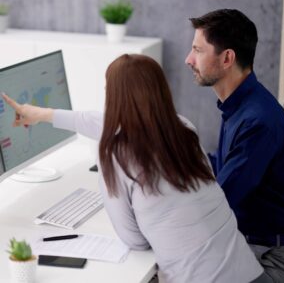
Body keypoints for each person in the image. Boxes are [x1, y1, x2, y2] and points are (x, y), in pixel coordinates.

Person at [2, 54, 268, 283]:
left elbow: (136, 241)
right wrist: (44, 115)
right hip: (247, 272)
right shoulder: (183, 128)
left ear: (115, 98)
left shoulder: (116, 155)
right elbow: (106, 121)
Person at [185, 8, 284, 282]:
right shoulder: (240, 105)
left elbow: (220, 203)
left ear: (227, 58)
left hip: (278, 255)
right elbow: (220, 164)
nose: (188, 59)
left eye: (198, 50)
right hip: (257, 240)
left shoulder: (256, 121)